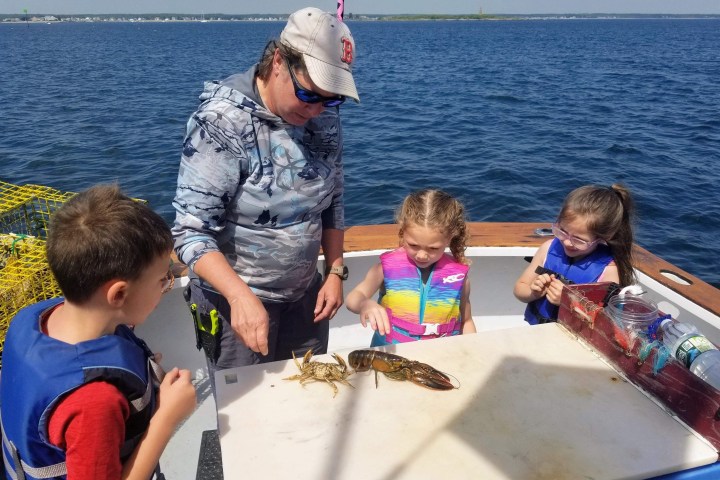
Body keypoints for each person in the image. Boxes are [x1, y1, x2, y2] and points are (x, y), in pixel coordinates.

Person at [171, 7, 359, 385]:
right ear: (278, 61)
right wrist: (240, 298)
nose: (317, 108)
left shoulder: (321, 114)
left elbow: (332, 198)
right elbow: (190, 233)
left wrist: (335, 270)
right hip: (235, 303)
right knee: (246, 415)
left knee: (306, 392)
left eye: (331, 99)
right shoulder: (221, 122)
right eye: (308, 94)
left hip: (306, 296)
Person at [0, 185, 197, 480]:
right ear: (118, 295)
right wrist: (167, 416)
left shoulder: (35, 318)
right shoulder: (94, 404)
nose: (165, 286)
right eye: (161, 280)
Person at [346, 189, 476, 345]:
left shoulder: (459, 279)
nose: (422, 255)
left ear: (449, 239)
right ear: (403, 233)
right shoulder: (383, 270)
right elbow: (353, 297)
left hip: (440, 356)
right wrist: (364, 304)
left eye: (433, 248)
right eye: (413, 245)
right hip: (392, 359)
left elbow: (466, 321)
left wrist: (471, 349)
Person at [514, 183, 636, 324]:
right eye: (563, 232)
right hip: (537, 331)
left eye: (579, 240)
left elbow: (605, 323)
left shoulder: (608, 271)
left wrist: (568, 302)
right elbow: (519, 289)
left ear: (604, 237)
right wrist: (533, 292)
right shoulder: (548, 248)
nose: (567, 242)